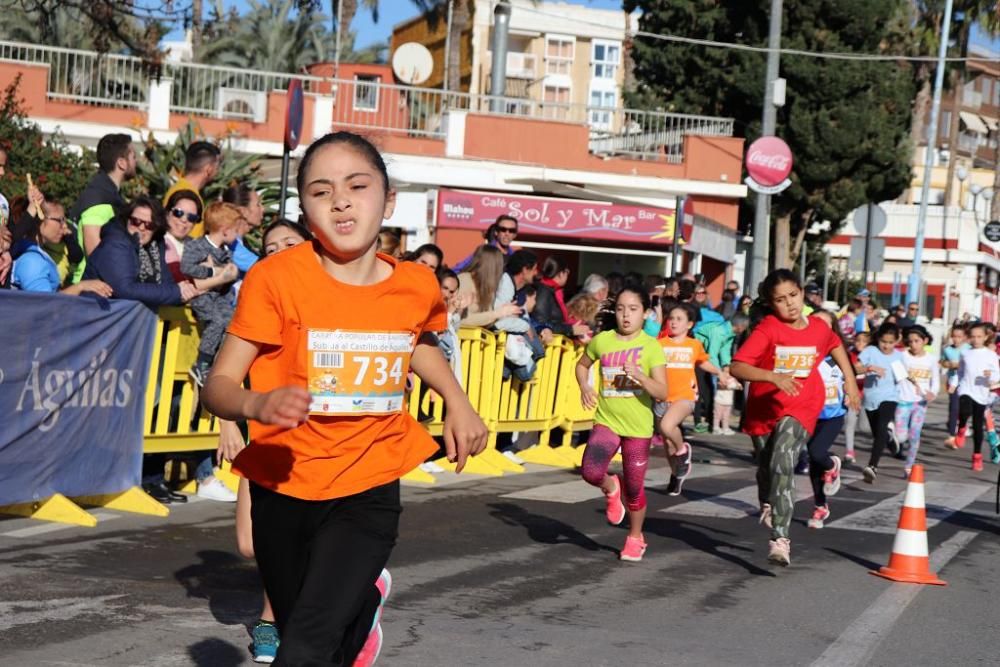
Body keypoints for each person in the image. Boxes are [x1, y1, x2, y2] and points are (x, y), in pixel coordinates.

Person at [201, 131, 488, 665]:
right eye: (320, 191)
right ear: (306, 210)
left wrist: (458, 401)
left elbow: (417, 342)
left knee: (303, 650)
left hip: (368, 483)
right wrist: (254, 405)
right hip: (282, 480)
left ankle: (356, 598)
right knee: (316, 637)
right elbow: (218, 385)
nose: (340, 200)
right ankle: (365, 604)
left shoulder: (417, 284)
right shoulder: (275, 278)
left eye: (357, 185)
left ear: (388, 199)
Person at [217, 215, 311, 664]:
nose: (277, 252)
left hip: (318, 451)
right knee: (251, 544)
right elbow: (220, 374)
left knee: (297, 543)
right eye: (269, 247)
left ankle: (271, 622)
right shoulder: (255, 303)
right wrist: (228, 421)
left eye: (288, 243)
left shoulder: (327, 302)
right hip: (265, 446)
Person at [730, 269, 859, 565]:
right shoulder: (768, 329)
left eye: (793, 295)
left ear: (802, 293)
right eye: (780, 299)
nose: (789, 303)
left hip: (803, 403)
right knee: (766, 467)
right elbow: (737, 367)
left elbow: (836, 344)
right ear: (771, 303)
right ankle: (767, 500)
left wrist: (850, 382)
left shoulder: (817, 327)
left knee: (784, 459)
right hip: (764, 406)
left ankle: (780, 538)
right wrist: (772, 376)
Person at [576, 285, 667, 562]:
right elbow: (582, 365)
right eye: (620, 309)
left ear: (645, 314)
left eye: (633, 309)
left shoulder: (651, 347)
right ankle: (611, 487)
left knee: (636, 490)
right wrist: (584, 386)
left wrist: (640, 375)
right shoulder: (602, 341)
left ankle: (635, 537)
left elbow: (663, 392)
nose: (626, 315)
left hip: (638, 429)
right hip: (607, 420)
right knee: (591, 471)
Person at [656, 302, 730, 495]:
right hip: (663, 396)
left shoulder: (694, 344)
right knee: (667, 443)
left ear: (689, 324)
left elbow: (704, 362)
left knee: (666, 426)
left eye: (679, 319)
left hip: (686, 395)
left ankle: (683, 451)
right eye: (671, 318)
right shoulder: (659, 344)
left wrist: (720, 373)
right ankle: (676, 474)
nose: (673, 322)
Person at [82, 195, 197, 308]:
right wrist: (176, 292)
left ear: (156, 228)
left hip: (128, 320)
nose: (141, 228)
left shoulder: (154, 244)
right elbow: (125, 289)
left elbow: (165, 282)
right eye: (136, 221)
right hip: (96, 315)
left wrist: (182, 293)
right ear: (127, 219)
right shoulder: (115, 243)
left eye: (149, 225)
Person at [181, 202, 243, 386]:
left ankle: (219, 364)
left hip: (221, 297)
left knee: (231, 324)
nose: (237, 235)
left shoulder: (225, 251)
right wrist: (213, 272)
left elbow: (231, 273)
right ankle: (202, 363)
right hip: (203, 297)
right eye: (235, 230)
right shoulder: (197, 246)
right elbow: (187, 267)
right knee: (217, 321)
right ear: (225, 230)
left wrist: (218, 270)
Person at [69, 133, 136, 283]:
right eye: (133, 157)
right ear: (122, 163)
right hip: (92, 291)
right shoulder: (99, 201)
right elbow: (95, 254)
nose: (136, 162)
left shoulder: (110, 196)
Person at [803, 310, 848, 529]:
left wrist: (850, 391)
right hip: (809, 414)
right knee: (813, 461)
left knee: (817, 453)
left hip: (833, 415)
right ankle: (820, 506)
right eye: (814, 322)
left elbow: (849, 376)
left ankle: (833, 464)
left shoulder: (838, 354)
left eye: (825, 324)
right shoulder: (803, 353)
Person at [11, 200, 113, 297]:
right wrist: (80, 287)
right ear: (40, 219)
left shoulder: (34, 255)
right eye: (59, 220)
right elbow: (45, 304)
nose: (64, 226)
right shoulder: (32, 261)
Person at [950, 322, 1000, 471]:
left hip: (982, 391)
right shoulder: (965, 353)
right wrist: (954, 383)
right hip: (966, 388)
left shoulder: (991, 355)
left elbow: (997, 373)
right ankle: (962, 428)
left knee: (978, 426)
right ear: (969, 338)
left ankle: (977, 455)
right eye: (973, 337)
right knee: (964, 410)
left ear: (986, 337)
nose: (976, 339)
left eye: (979, 336)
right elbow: (960, 371)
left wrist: (990, 375)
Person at [858, 322, 904, 483]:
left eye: (891, 342)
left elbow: (903, 377)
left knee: (882, 425)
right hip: (871, 398)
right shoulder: (870, 351)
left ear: (897, 340)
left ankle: (872, 466)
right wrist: (869, 368)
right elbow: (855, 368)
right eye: (884, 342)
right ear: (878, 339)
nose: (886, 346)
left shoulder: (899, 356)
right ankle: (890, 440)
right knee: (878, 434)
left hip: (890, 397)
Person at [894, 325, 939, 478]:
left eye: (917, 341)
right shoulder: (902, 356)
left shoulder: (931, 359)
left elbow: (936, 380)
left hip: (920, 403)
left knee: (915, 435)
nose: (913, 344)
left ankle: (909, 465)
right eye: (910, 341)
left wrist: (932, 393)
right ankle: (891, 430)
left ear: (925, 341)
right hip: (902, 400)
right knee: (901, 436)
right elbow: (896, 373)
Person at [162, 141, 222, 233]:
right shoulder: (189, 198)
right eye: (217, 167)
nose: (218, 172)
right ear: (209, 169)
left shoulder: (179, 188)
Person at [456, 245, 521, 328]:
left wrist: (503, 313)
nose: (501, 271)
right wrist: (497, 313)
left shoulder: (487, 288)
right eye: (500, 266)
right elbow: (460, 320)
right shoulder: (464, 280)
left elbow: (484, 322)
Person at [534, 255, 590, 339]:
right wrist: (570, 329)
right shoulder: (544, 292)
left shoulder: (553, 291)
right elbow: (541, 324)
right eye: (567, 272)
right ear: (561, 273)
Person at [221, 181, 265, 273]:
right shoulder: (230, 243)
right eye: (258, 205)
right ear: (242, 211)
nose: (263, 209)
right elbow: (262, 269)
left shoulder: (241, 242)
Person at [452, 214, 519, 271]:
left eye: (511, 230)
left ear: (515, 234)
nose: (507, 233)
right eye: (503, 230)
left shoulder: (515, 258)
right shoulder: (484, 252)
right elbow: (459, 268)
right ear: (496, 232)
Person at [843, 331, 871, 463]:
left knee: (865, 427)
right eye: (858, 340)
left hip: (868, 395)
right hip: (853, 394)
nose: (860, 344)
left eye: (864, 341)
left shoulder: (872, 355)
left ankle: (888, 432)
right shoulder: (848, 355)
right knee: (850, 422)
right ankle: (849, 452)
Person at [942, 324, 969, 448]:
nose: (956, 339)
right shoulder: (947, 350)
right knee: (954, 407)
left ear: (964, 337)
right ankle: (952, 436)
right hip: (953, 382)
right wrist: (947, 364)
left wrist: (959, 365)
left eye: (959, 337)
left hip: (966, 382)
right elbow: (942, 362)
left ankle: (959, 426)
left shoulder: (968, 348)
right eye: (954, 336)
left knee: (964, 410)